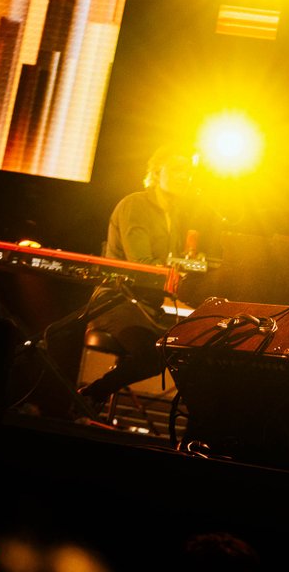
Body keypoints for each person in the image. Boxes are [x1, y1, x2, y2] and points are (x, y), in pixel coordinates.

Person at [78, 146, 217, 410]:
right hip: (116, 302)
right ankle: (93, 393)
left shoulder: (174, 217)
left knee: (193, 348)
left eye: (188, 171)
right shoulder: (135, 204)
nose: (184, 176)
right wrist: (178, 266)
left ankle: (201, 420)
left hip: (146, 306)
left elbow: (170, 266)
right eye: (176, 169)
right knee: (155, 354)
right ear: (155, 173)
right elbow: (140, 263)